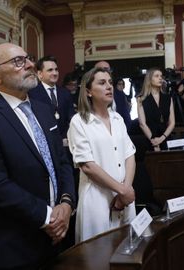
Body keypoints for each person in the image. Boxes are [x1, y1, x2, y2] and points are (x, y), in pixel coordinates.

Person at [0, 43, 76, 269]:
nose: (31, 65)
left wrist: (67, 203)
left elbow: (62, 162)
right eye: (18, 61)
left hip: (60, 238)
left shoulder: (43, 110)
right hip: (16, 246)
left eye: (28, 58)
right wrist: (48, 217)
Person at [67, 67, 136, 243]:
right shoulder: (79, 121)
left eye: (110, 83)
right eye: (102, 83)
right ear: (88, 91)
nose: (109, 87)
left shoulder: (117, 118)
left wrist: (125, 191)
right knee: (98, 257)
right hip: (97, 198)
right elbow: (88, 166)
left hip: (125, 196)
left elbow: (129, 155)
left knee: (128, 252)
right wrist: (122, 191)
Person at [29, 56, 75, 143]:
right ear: (40, 74)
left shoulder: (65, 93)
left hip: (65, 142)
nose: (55, 73)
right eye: (50, 70)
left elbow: (71, 118)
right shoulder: (32, 94)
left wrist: (66, 137)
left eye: (56, 69)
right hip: (44, 142)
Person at [137, 68, 175, 151]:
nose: (160, 78)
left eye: (161, 76)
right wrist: (153, 141)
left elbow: (172, 122)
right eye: (157, 76)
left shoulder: (168, 98)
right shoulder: (141, 99)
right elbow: (142, 124)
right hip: (149, 139)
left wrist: (162, 138)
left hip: (166, 138)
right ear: (149, 79)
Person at [94, 61, 132, 131]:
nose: (107, 72)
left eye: (109, 69)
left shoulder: (120, 94)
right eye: (104, 69)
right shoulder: (90, 94)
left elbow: (126, 117)